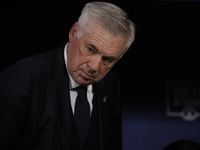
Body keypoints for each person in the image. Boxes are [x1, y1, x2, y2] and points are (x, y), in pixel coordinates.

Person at [0, 2, 135, 150]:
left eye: (108, 60)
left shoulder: (111, 85)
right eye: (90, 49)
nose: (94, 67)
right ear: (73, 33)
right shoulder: (23, 78)